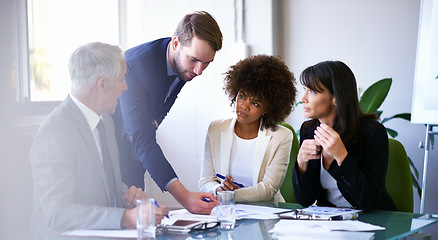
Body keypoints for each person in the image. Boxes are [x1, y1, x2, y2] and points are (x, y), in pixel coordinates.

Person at [29, 42, 168, 237]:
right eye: (121, 79)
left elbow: (106, 183)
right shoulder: (54, 132)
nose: (125, 87)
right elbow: (57, 213)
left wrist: (126, 195)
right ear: (102, 84)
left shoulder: (105, 121)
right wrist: (126, 217)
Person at [116, 11, 223, 214]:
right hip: (114, 153)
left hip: (137, 154)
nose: (199, 71)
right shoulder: (134, 66)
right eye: (194, 60)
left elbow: (163, 104)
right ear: (175, 43)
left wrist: (153, 122)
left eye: (206, 63)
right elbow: (141, 138)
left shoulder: (184, 64)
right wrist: (185, 197)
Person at [292, 60, 397, 211]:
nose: (303, 99)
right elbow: (305, 199)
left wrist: (342, 157)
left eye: (313, 91)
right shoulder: (309, 130)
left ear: (336, 97)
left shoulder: (372, 133)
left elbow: (370, 202)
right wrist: (301, 163)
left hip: (370, 222)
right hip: (330, 222)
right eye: (304, 89)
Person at [199, 54, 297, 202]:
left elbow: (269, 189)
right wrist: (217, 189)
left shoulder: (282, 136)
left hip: (266, 214)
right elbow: (205, 181)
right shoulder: (215, 129)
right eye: (242, 96)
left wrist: (232, 195)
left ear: (268, 108)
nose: (244, 106)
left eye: (255, 103)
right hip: (227, 211)